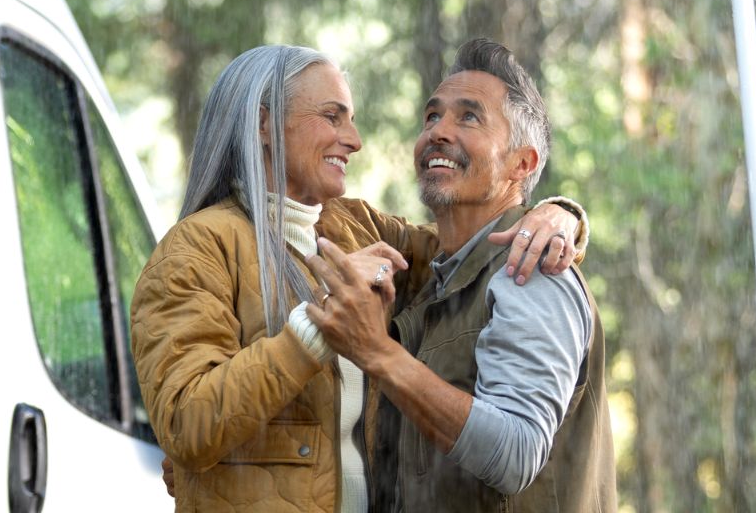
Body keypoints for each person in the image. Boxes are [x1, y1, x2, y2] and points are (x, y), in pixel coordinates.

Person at [131, 44, 585, 512]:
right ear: (264, 124)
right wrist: (313, 333)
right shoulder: (195, 250)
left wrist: (559, 215)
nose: (354, 139)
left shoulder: (356, 228)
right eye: (333, 116)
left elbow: (470, 243)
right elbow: (186, 426)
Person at [305, 38, 617, 512]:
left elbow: (515, 454)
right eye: (432, 116)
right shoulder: (428, 276)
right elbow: (302, 210)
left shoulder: (532, 269)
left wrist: (377, 352)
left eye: (469, 117)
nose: (438, 132)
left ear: (522, 163)